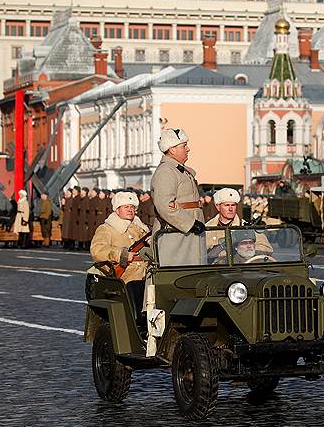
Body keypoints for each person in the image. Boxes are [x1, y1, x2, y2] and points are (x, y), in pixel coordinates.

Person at [150, 128, 206, 266]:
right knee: (176, 271)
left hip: (186, 233)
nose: (188, 149)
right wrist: (190, 223)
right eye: (184, 146)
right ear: (172, 149)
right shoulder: (166, 171)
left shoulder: (179, 170)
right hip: (176, 234)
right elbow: (165, 205)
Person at [89, 191, 150, 309]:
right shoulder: (107, 229)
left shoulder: (141, 228)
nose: (130, 210)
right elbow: (97, 250)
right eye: (126, 207)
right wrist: (121, 254)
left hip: (146, 276)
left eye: (132, 207)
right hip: (125, 279)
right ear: (117, 210)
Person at [204, 187, 272, 262]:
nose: (230, 209)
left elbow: (267, 248)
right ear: (218, 207)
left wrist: (246, 250)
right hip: (215, 270)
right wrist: (222, 250)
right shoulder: (208, 228)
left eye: (233, 205)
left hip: (242, 268)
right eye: (227, 205)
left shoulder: (245, 226)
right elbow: (200, 253)